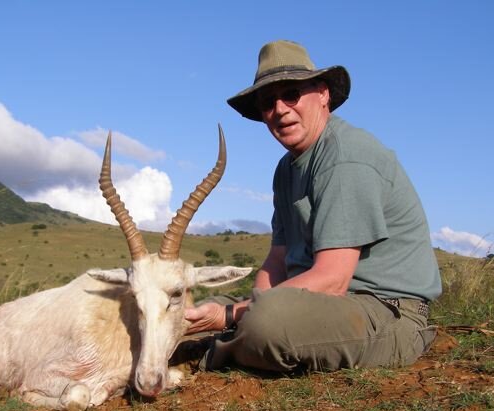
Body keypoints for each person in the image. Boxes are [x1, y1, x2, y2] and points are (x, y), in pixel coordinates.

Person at [182, 40, 441, 373]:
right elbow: (277, 259)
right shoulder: (286, 169)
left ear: (323, 94)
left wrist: (235, 316)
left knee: (265, 323)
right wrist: (245, 306)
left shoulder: (347, 157)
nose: (279, 109)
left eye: (291, 94)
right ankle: (212, 340)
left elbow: (332, 280)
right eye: (267, 102)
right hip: (315, 299)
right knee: (190, 310)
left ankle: (206, 354)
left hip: (383, 311)